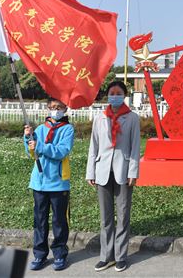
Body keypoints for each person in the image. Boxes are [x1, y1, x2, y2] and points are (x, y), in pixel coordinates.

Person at [86, 81, 141, 273]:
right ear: (107, 95)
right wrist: (90, 172)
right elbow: (93, 146)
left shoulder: (132, 118)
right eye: (112, 93)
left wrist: (133, 172)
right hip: (102, 170)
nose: (114, 96)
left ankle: (121, 256)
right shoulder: (100, 117)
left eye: (118, 93)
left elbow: (135, 147)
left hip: (123, 171)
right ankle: (106, 256)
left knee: (123, 215)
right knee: (105, 217)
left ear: (124, 96)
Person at [23, 97, 74, 271]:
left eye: (59, 107)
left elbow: (62, 151)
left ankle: (59, 254)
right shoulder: (39, 129)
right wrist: (27, 138)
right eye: (52, 107)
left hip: (59, 183)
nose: (55, 110)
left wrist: (41, 147)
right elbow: (32, 152)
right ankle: (39, 254)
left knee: (59, 221)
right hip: (39, 183)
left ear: (65, 109)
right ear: (47, 108)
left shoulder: (67, 129)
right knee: (40, 220)